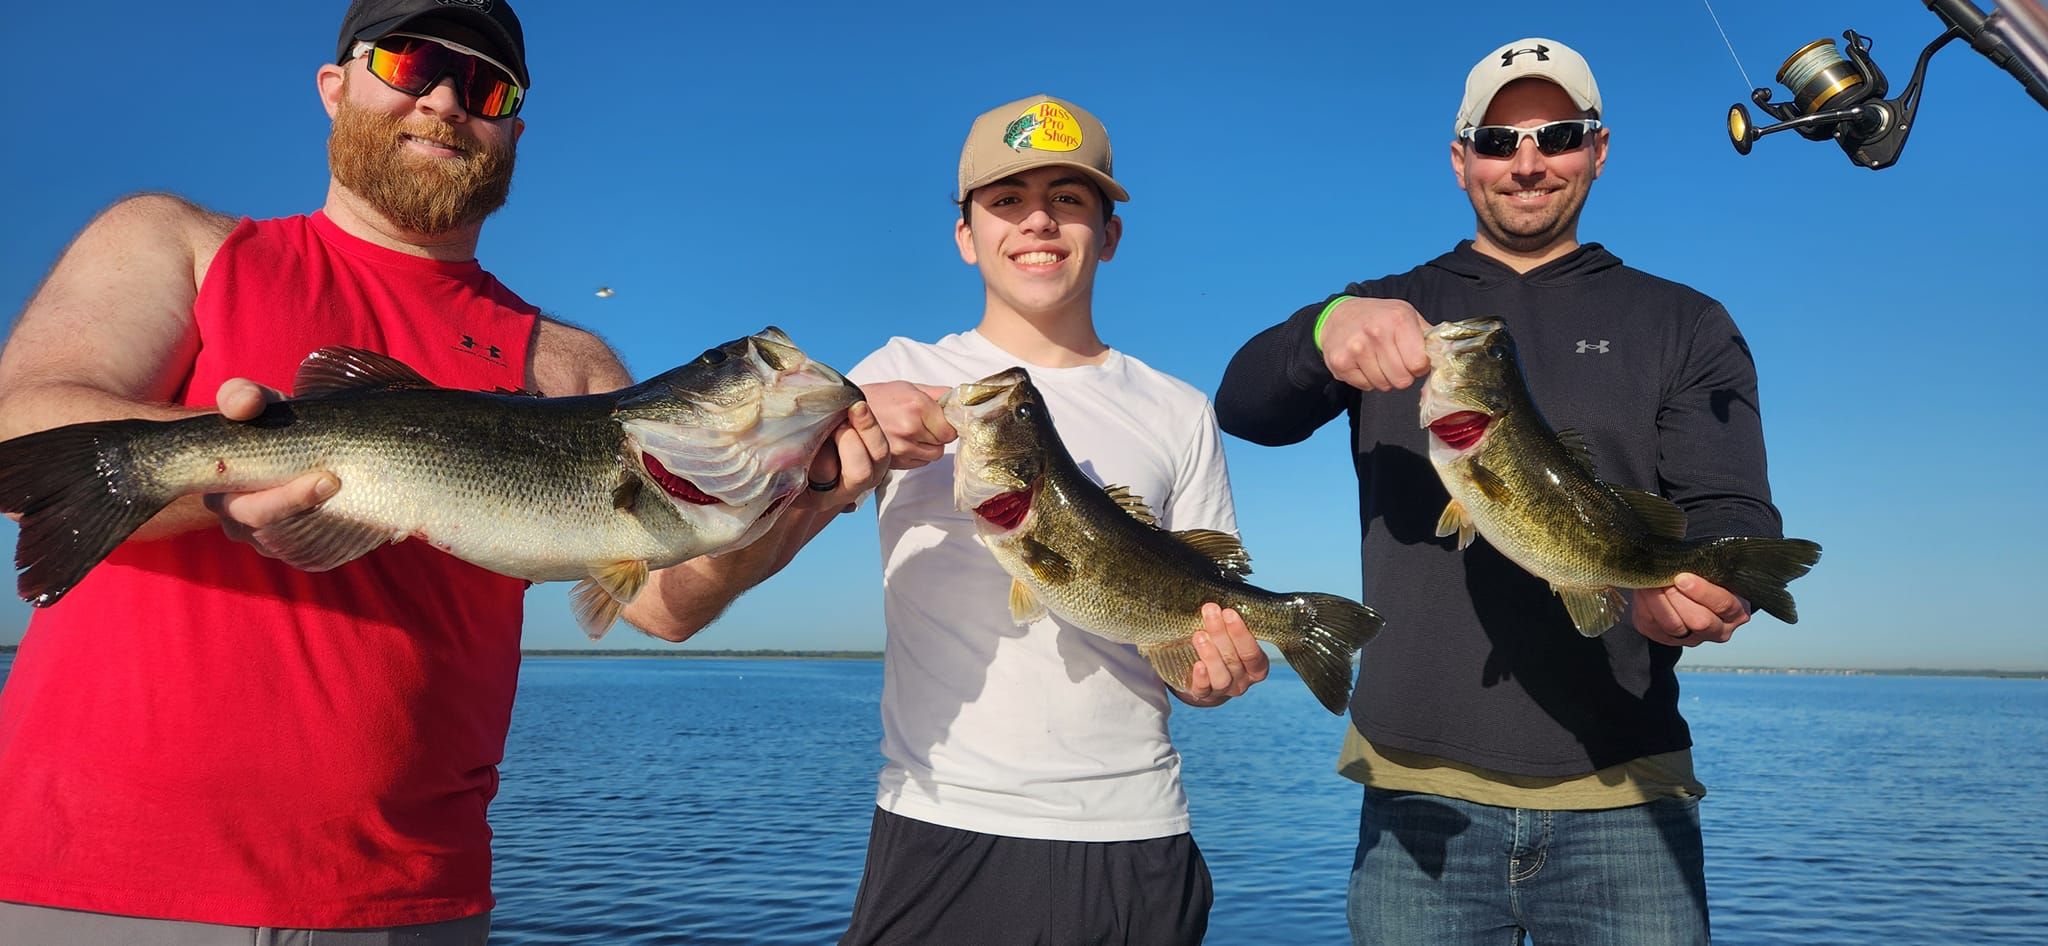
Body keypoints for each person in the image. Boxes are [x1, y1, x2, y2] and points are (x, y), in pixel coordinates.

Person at [0, 2, 885, 943]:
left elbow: (661, 605)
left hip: (411, 896)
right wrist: (221, 470)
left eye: (486, 85)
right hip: (94, 873)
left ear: (514, 130)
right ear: (334, 85)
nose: (445, 98)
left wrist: (811, 497)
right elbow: (21, 433)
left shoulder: (574, 366)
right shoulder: (178, 241)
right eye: (412, 60)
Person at [1215, 38, 1789, 946]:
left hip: (1627, 790)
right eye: (1496, 139)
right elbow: (1245, 406)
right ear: (1460, 160)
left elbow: (1732, 511)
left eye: (1557, 134)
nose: (1527, 161)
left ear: (1599, 149)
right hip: (1416, 801)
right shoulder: (1389, 304)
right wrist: (1323, 326)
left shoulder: (1685, 321)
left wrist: (1712, 585)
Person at [840, 94, 1267, 945]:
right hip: (939, 823)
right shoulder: (896, 374)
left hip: (1135, 832)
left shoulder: (1179, 409)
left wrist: (1214, 671)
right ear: (965, 235)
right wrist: (830, 444)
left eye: (1068, 199)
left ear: (1108, 234)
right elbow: (763, 520)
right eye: (1006, 200)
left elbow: (1189, 657)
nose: (1038, 220)